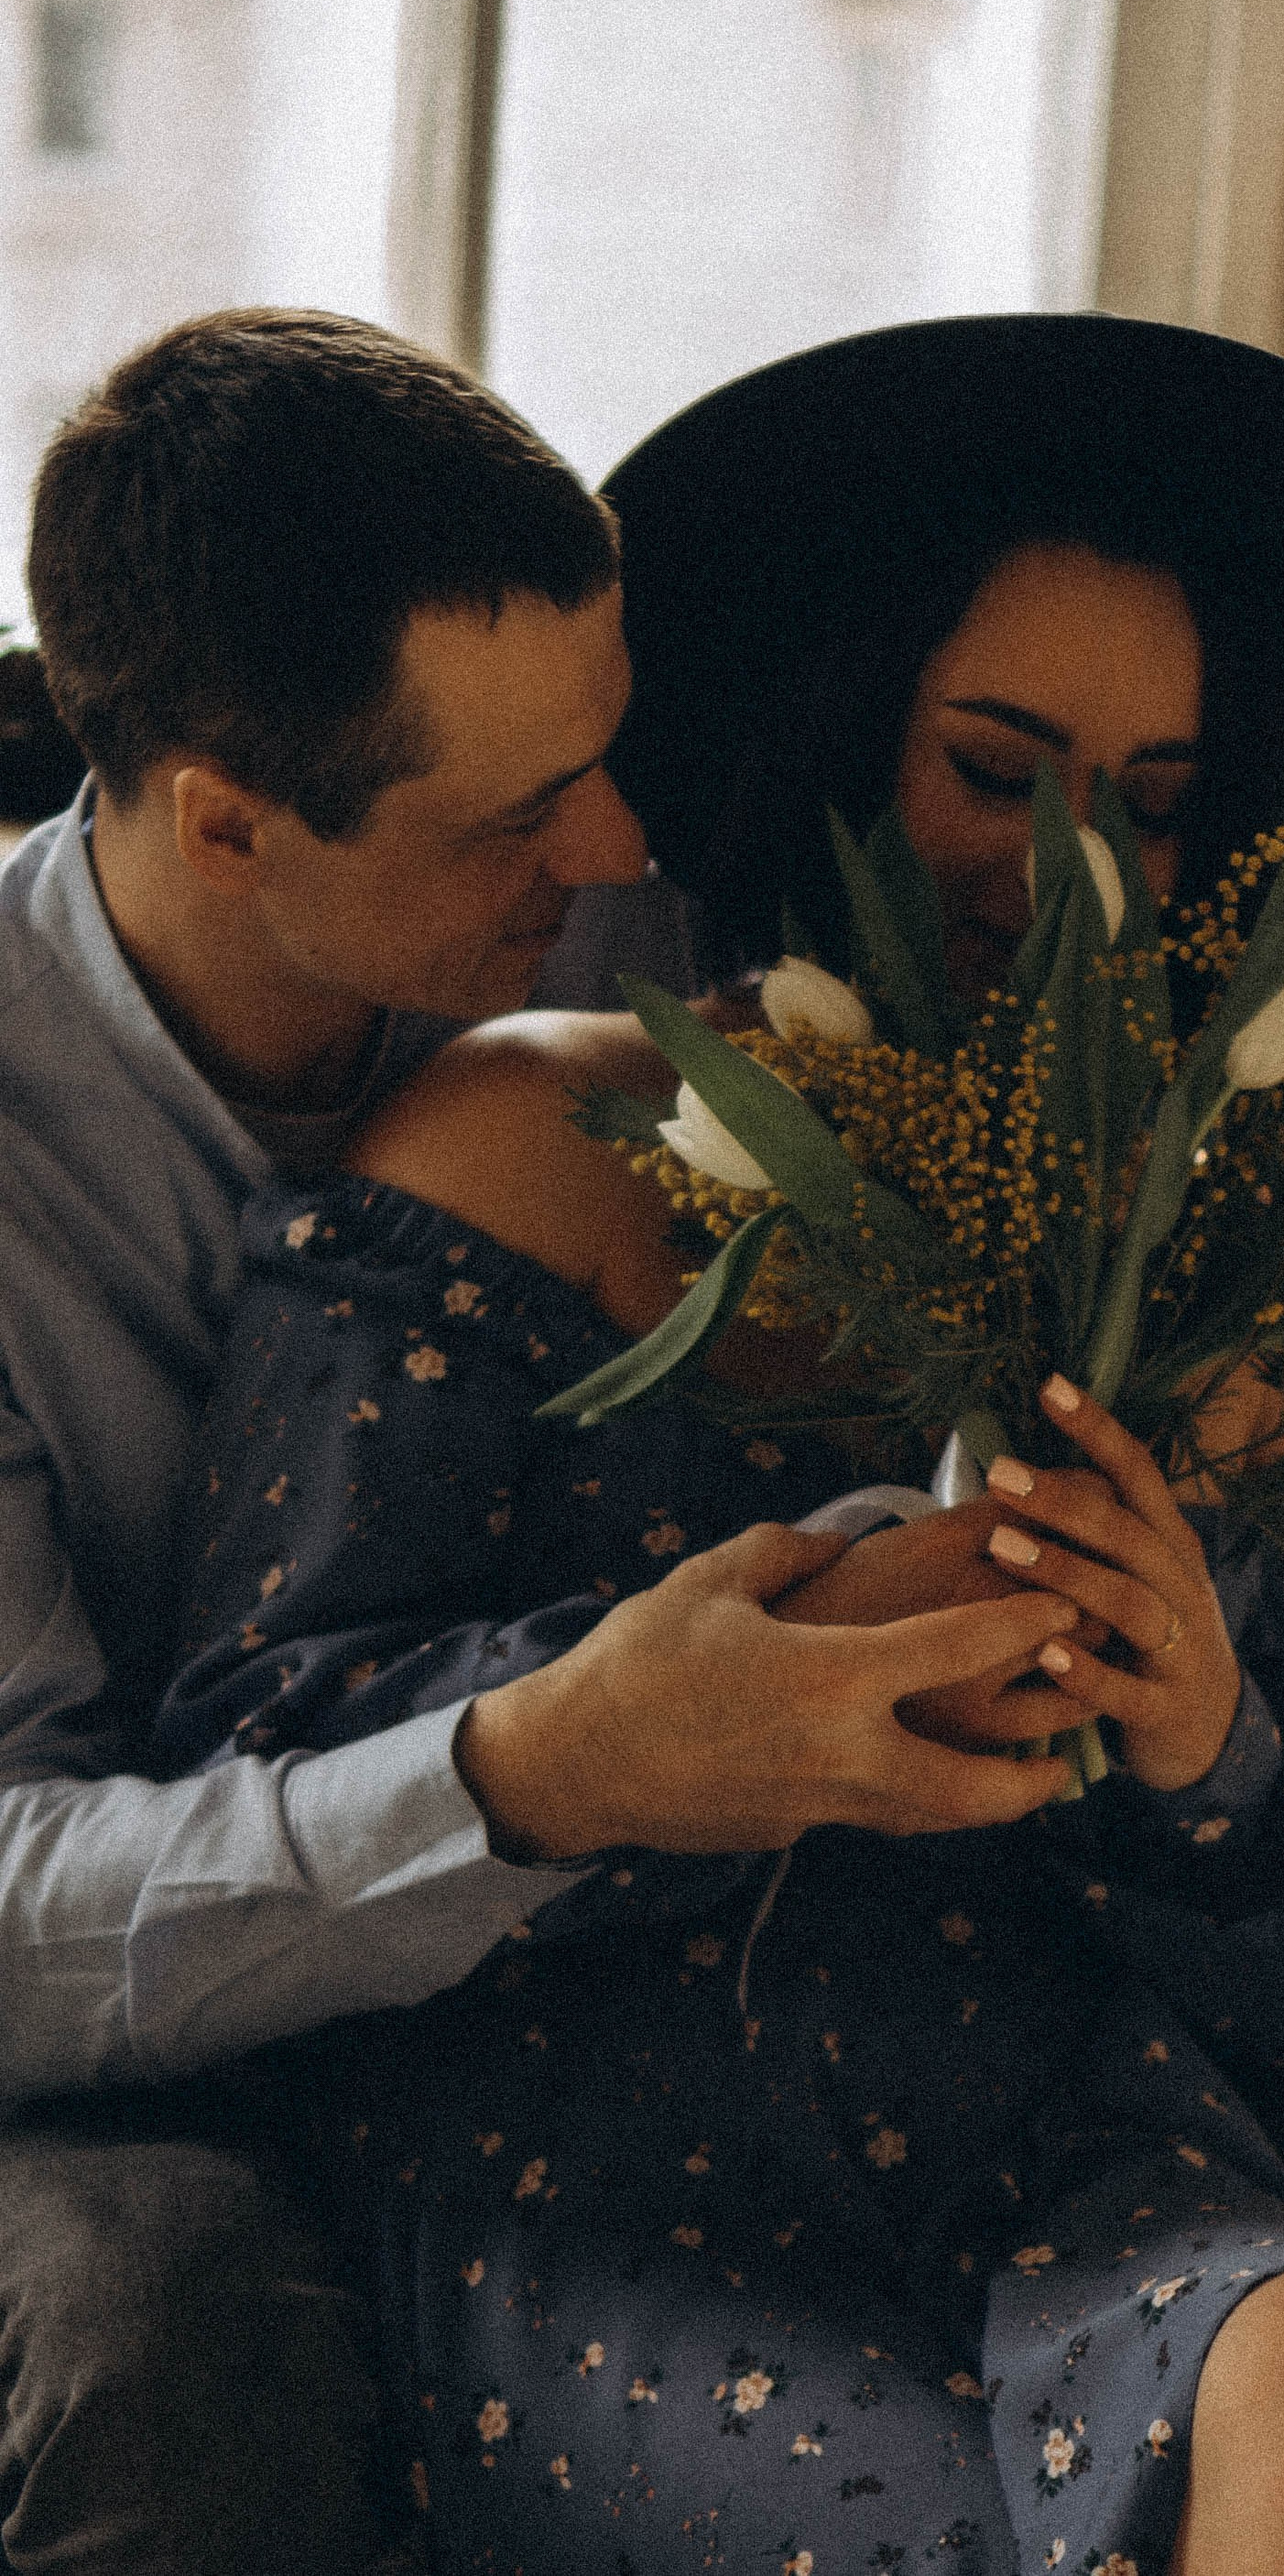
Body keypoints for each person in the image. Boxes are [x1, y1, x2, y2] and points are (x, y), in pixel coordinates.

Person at [147, 319, 1284, 2571]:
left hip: (1067, 2129)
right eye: (999, 772)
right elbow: (246, 1740)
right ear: (840, 735)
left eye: (1144, 801)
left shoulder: (1222, 1264)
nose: (1077, 874)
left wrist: (1208, 1733)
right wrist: (733, 1670)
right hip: (597, 2156)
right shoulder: (530, 1131)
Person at [0, 310, 1094, 2576]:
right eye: (516, 808)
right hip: (128, 2020)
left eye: (603, 752)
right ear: (224, 818)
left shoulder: (635, 943)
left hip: (648, 1951)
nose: (610, 842)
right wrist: (528, 1775)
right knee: (159, 2308)